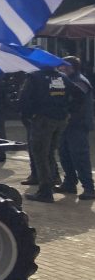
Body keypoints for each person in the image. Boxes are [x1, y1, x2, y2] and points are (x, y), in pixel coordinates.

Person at [19, 62, 71, 202]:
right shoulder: (63, 77)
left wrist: (27, 116)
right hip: (60, 119)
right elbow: (74, 95)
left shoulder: (34, 77)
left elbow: (24, 99)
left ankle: (45, 191)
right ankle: (53, 179)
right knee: (50, 152)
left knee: (40, 154)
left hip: (43, 120)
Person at [55, 56, 95, 200]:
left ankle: (89, 188)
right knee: (64, 154)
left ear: (71, 67)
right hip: (67, 124)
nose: (60, 68)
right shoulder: (69, 80)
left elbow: (75, 98)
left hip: (78, 124)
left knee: (80, 156)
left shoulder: (80, 81)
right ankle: (70, 182)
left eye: (63, 66)